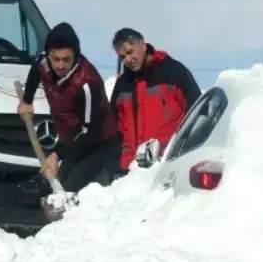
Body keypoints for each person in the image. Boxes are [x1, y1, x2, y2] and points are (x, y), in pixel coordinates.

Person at [18, 22, 120, 196]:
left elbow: (88, 132)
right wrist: (27, 100)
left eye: (66, 59)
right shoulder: (44, 62)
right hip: (72, 140)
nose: (60, 65)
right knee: (55, 186)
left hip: (97, 141)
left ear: (76, 56)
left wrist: (56, 154)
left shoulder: (87, 83)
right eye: (55, 58)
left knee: (69, 190)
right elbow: (37, 70)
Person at [109, 27, 202, 171]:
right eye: (122, 57)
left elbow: (198, 113)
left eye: (129, 52)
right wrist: (116, 164)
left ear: (143, 44)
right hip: (129, 171)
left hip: (167, 164)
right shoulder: (122, 85)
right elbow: (113, 129)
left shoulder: (174, 72)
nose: (127, 59)